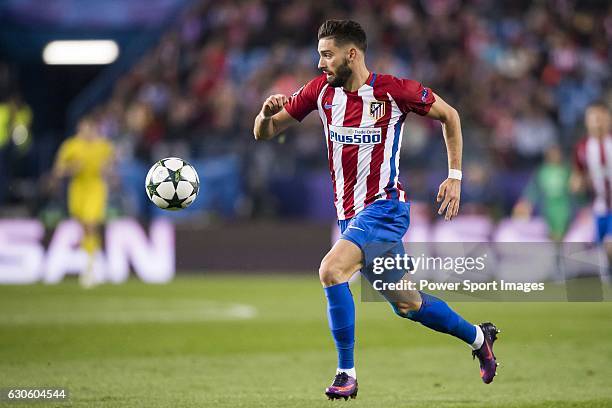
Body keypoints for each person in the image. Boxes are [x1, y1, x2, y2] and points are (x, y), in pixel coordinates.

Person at [253, 19, 499, 400]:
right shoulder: (320, 91)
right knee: (408, 305)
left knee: (332, 271)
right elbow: (264, 133)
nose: (320, 64)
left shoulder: (393, 91)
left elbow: (450, 115)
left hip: (385, 209)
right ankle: (480, 338)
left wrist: (455, 175)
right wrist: (266, 114)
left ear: (351, 54)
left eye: (327, 55)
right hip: (350, 217)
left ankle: (345, 373)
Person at [51, 117, 115, 288]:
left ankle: (90, 269)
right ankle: (96, 261)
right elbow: (58, 170)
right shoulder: (71, 146)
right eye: (83, 129)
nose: (86, 132)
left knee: (90, 223)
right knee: (84, 228)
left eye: (89, 129)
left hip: (96, 187)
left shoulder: (103, 146)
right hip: (78, 189)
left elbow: (111, 167)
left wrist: (107, 170)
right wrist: (71, 168)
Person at [571, 102, 612, 276]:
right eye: (592, 117)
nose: (596, 122)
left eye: (599, 117)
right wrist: (576, 184)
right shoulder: (582, 147)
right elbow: (578, 175)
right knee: (603, 248)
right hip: (599, 206)